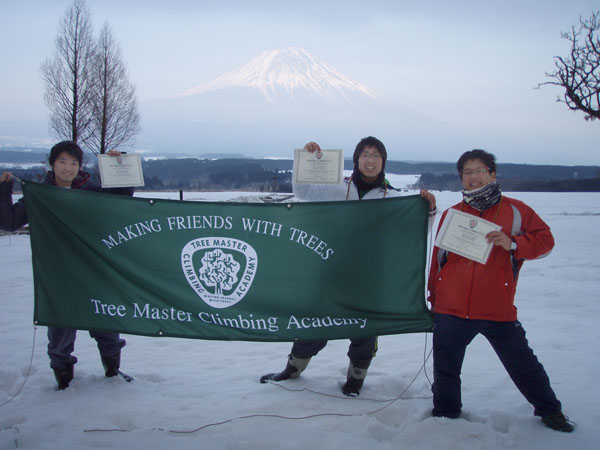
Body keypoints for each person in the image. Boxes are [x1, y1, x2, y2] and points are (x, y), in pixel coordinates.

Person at [260, 136, 437, 396]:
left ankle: (356, 378)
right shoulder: (337, 188)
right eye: (365, 154)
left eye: (376, 155)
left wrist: (427, 210)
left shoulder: (393, 197)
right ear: (356, 160)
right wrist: (306, 159)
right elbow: (303, 192)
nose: (370, 160)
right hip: (333, 270)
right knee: (314, 321)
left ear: (383, 161)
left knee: (366, 327)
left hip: (371, 276)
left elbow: (413, 232)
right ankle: (293, 368)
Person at [427, 149, 574, 432]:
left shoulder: (516, 211)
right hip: (451, 308)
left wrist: (514, 243)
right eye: (467, 172)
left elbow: (546, 242)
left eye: (479, 170)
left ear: (492, 174)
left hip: (496, 308)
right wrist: (434, 298)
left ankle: (550, 410)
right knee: (445, 368)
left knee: (523, 364)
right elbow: (438, 261)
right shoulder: (452, 214)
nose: (473, 177)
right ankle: (446, 413)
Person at [0, 140, 134, 390]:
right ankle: (64, 382)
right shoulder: (40, 195)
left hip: (94, 269)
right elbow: (8, 222)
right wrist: (3, 190)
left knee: (106, 323)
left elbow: (122, 201)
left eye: (73, 162)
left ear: (79, 166)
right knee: (61, 330)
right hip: (59, 274)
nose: (68, 167)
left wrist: (119, 164)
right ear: (52, 164)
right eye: (62, 161)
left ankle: (113, 372)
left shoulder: (91, 190)